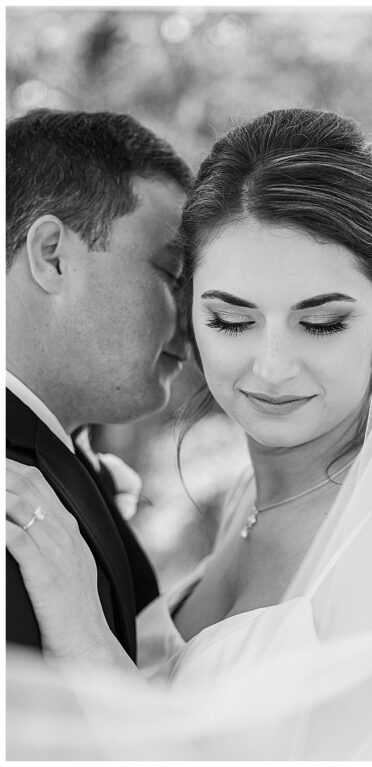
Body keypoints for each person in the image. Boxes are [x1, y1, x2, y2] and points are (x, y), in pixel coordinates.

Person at [7, 108, 372, 760]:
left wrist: (89, 646)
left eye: (321, 323)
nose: (271, 367)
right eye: (231, 319)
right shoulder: (250, 499)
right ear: (189, 314)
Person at [6, 109, 193, 658]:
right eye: (173, 275)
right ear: (52, 256)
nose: (194, 321)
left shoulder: (56, 466)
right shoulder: (14, 496)